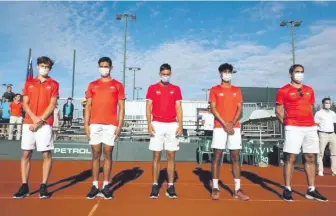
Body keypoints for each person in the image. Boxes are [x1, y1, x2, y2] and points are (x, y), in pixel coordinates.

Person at [275, 64, 328, 202]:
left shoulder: (309, 90)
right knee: (290, 157)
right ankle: (287, 188)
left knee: (310, 157)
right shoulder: (283, 90)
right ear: (290, 74)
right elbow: (278, 111)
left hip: (309, 127)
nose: (300, 74)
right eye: (297, 72)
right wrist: (287, 125)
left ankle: (311, 189)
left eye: (302, 72)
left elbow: (310, 108)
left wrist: (311, 123)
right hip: (293, 127)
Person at [13, 56, 59, 199]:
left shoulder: (54, 84)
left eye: (47, 67)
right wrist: (33, 118)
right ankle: (24, 185)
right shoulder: (29, 83)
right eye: (42, 66)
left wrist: (40, 121)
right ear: (38, 66)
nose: (44, 69)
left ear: (50, 68)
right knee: (26, 153)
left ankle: (43, 186)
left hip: (45, 124)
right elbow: (25, 103)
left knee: (46, 154)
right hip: (29, 122)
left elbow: (52, 105)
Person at [84, 57, 125, 200]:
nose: (104, 68)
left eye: (106, 66)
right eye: (101, 66)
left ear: (111, 68)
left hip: (111, 125)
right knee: (95, 153)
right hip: (94, 124)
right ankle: (95, 185)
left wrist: (119, 125)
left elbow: (121, 107)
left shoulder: (118, 85)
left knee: (108, 153)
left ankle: (106, 185)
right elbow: (88, 106)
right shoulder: (92, 85)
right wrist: (86, 124)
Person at [208, 63, 249, 201]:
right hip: (219, 126)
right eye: (224, 71)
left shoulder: (237, 90)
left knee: (235, 156)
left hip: (234, 127)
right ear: (220, 73)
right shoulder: (214, 90)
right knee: (217, 155)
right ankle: (215, 187)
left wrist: (231, 123)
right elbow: (213, 109)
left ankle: (237, 189)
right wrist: (225, 123)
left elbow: (240, 109)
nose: (227, 74)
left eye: (229, 72)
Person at [146, 63, 183, 199]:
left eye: (168, 74)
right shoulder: (152, 88)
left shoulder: (176, 89)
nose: (165, 76)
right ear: (160, 74)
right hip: (157, 124)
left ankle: (170, 186)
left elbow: (178, 107)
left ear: (170, 74)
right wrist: (149, 124)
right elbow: (148, 107)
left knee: (171, 156)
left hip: (172, 124)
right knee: (156, 156)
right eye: (163, 74)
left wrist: (181, 124)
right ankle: (155, 185)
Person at [314, 97, 336, 176]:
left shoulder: (333, 113)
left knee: (334, 154)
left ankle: (334, 171)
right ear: (323, 104)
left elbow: (334, 123)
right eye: (326, 103)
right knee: (320, 153)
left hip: (332, 134)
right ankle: (320, 170)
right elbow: (315, 124)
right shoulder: (318, 113)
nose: (328, 104)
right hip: (322, 134)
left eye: (329, 103)